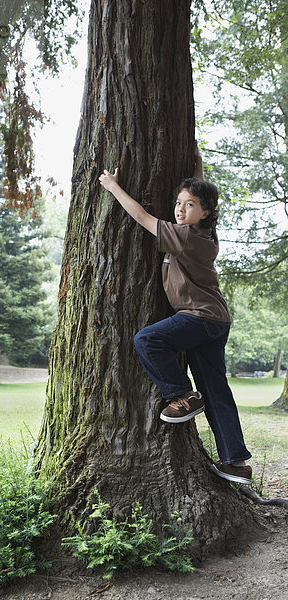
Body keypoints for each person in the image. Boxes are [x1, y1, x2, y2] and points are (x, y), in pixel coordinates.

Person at [99, 143, 252, 485]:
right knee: (217, 390)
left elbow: (141, 217)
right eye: (179, 203)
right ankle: (236, 462)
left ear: (205, 213)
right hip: (215, 320)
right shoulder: (203, 232)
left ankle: (182, 396)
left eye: (190, 206)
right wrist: (197, 170)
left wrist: (113, 187)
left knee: (147, 338)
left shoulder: (183, 237)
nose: (181, 209)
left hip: (199, 316)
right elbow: (199, 197)